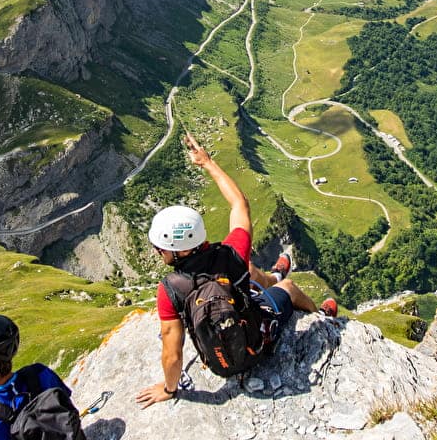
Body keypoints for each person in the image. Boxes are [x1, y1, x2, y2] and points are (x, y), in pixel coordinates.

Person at [135, 132, 335, 407]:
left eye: (161, 248)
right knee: (285, 288)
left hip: (219, 365)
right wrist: (207, 162)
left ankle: (278, 280)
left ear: (177, 250)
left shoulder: (170, 290)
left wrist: (169, 390)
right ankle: (322, 318)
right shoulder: (232, 253)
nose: (158, 252)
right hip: (257, 342)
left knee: (252, 272)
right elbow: (240, 204)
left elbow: (172, 353)